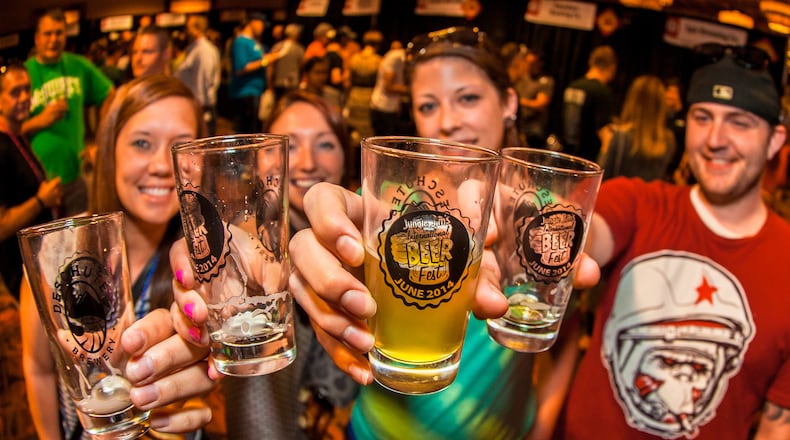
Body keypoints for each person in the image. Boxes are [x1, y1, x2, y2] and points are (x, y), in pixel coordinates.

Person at [556, 47, 790, 438]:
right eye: (703, 117)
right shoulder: (638, 202)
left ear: (774, 140)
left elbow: (776, 427)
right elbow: (584, 234)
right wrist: (540, 221)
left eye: (740, 122)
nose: (716, 139)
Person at [20, 74, 210, 439]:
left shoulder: (205, 267)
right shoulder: (57, 253)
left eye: (180, 147)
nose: (160, 165)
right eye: (142, 143)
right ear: (109, 151)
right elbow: (39, 368)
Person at [222, 90, 357, 438]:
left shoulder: (364, 241)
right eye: (288, 145)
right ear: (257, 162)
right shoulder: (242, 251)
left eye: (325, 144)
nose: (306, 162)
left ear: (345, 157)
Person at [22, 8, 113, 217]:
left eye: (59, 33)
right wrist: (40, 121)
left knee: (81, 243)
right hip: (37, 186)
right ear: (37, 38)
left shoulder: (78, 65)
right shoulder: (24, 74)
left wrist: (101, 140)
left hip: (75, 177)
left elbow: (110, 95)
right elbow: (7, 130)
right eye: (48, 34)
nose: (54, 39)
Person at [0, 64, 62, 300]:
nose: (25, 97)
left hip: (39, 261)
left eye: (27, 90)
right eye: (15, 92)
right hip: (21, 268)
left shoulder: (16, 136)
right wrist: (41, 200)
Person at [597, 74, 676, 181]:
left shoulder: (620, 136)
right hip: (649, 197)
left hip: (619, 195)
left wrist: (605, 147)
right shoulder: (668, 140)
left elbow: (600, 178)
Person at [561, 45, 617, 161]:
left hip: (566, 154)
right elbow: (604, 133)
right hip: (587, 159)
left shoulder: (572, 86)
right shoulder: (602, 91)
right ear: (611, 67)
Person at [229, 12, 278, 134]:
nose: (263, 28)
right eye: (262, 24)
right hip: (245, 93)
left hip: (256, 91)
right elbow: (241, 68)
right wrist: (265, 61)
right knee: (247, 133)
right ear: (253, 22)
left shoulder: (254, 42)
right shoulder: (241, 42)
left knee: (256, 130)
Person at [174, 15, 221, 136]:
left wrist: (202, 108)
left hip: (201, 108)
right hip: (195, 107)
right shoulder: (194, 50)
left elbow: (204, 79)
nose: (186, 32)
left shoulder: (203, 51)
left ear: (197, 29)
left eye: (188, 28)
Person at [516, 49, 554, 147]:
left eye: (532, 63)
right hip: (519, 124)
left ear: (540, 63)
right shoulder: (523, 77)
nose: (528, 66)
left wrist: (519, 101)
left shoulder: (545, 81)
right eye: (527, 63)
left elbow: (541, 104)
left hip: (534, 129)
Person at [369, 40, 408, 136]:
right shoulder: (397, 57)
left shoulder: (391, 55)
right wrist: (411, 90)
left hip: (380, 104)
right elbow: (388, 86)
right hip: (385, 107)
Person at [269, 23, 305, 101]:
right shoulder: (299, 49)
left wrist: (269, 85)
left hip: (278, 83)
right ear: (297, 34)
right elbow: (302, 67)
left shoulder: (277, 46)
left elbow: (270, 68)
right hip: (293, 83)